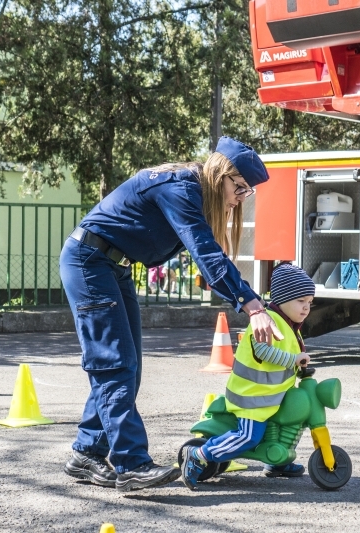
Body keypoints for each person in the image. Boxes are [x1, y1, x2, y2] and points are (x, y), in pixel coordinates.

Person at [59, 136, 282, 492]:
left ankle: (87, 452)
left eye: (247, 192)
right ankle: (131, 464)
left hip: (112, 266)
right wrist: (252, 305)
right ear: (220, 173)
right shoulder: (181, 188)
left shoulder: (196, 193)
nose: (241, 196)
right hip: (89, 261)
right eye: (239, 187)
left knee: (127, 366)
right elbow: (207, 254)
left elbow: (208, 254)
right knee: (115, 363)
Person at [181, 262, 315, 490]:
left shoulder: (290, 325)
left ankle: (277, 462)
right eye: (300, 301)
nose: (306, 308)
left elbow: (288, 351)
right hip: (251, 396)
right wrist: (292, 360)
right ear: (282, 300)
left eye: (310, 303)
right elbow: (263, 351)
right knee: (249, 437)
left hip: (271, 395)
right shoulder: (265, 321)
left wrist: (299, 366)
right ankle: (198, 454)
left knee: (291, 420)